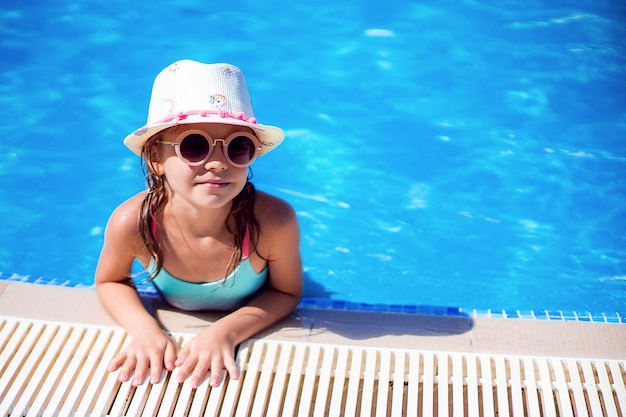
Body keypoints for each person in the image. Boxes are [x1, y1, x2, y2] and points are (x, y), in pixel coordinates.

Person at [95, 60, 303, 389]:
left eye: (238, 146)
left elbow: (286, 291)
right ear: (155, 159)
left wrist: (225, 332)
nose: (219, 163)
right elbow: (111, 282)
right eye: (194, 146)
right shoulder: (132, 223)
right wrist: (144, 329)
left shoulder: (273, 222)